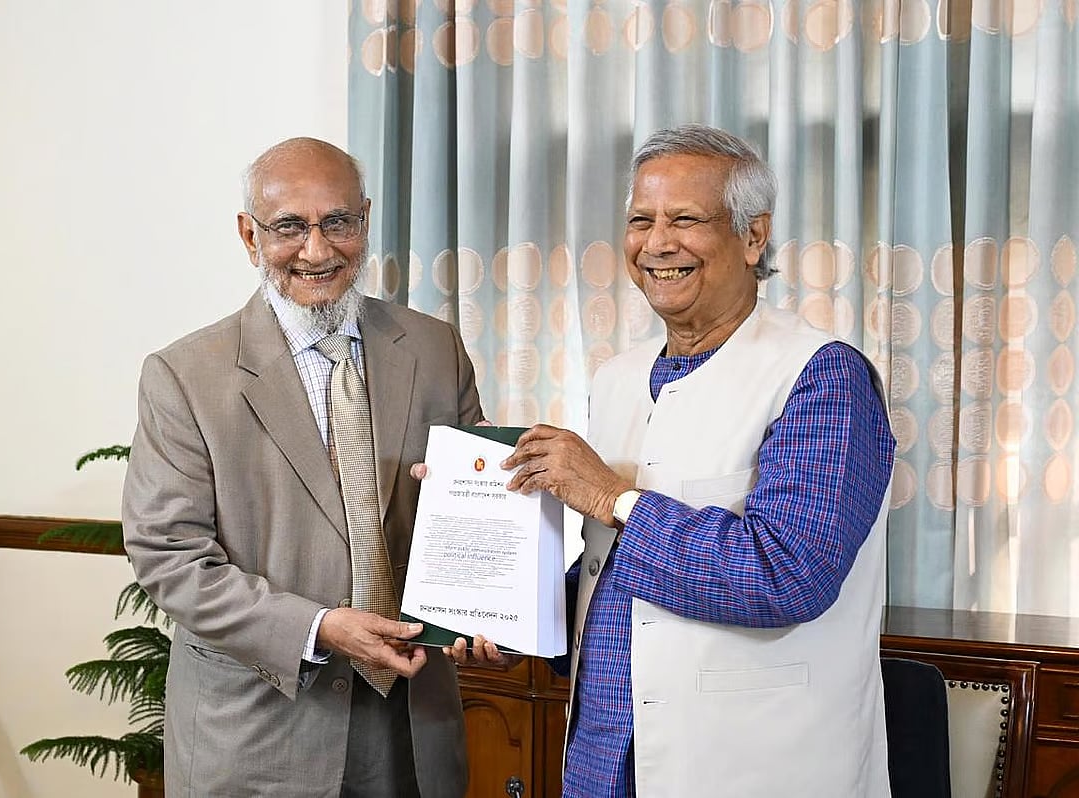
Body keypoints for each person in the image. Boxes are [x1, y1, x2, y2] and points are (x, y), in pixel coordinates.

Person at [498, 125, 895, 797]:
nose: (657, 243)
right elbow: (613, 577)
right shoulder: (618, 379)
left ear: (753, 236)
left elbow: (786, 577)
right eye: (641, 221)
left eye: (685, 219)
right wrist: (508, 613)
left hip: (753, 768)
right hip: (603, 761)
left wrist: (611, 498)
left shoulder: (822, 375)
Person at [122, 137, 483, 797]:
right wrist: (318, 629)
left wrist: (487, 611)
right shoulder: (184, 376)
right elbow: (168, 556)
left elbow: (472, 512)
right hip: (258, 737)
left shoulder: (436, 349)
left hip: (411, 728)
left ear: (364, 220)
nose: (317, 251)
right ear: (249, 235)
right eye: (290, 226)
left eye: (337, 222)